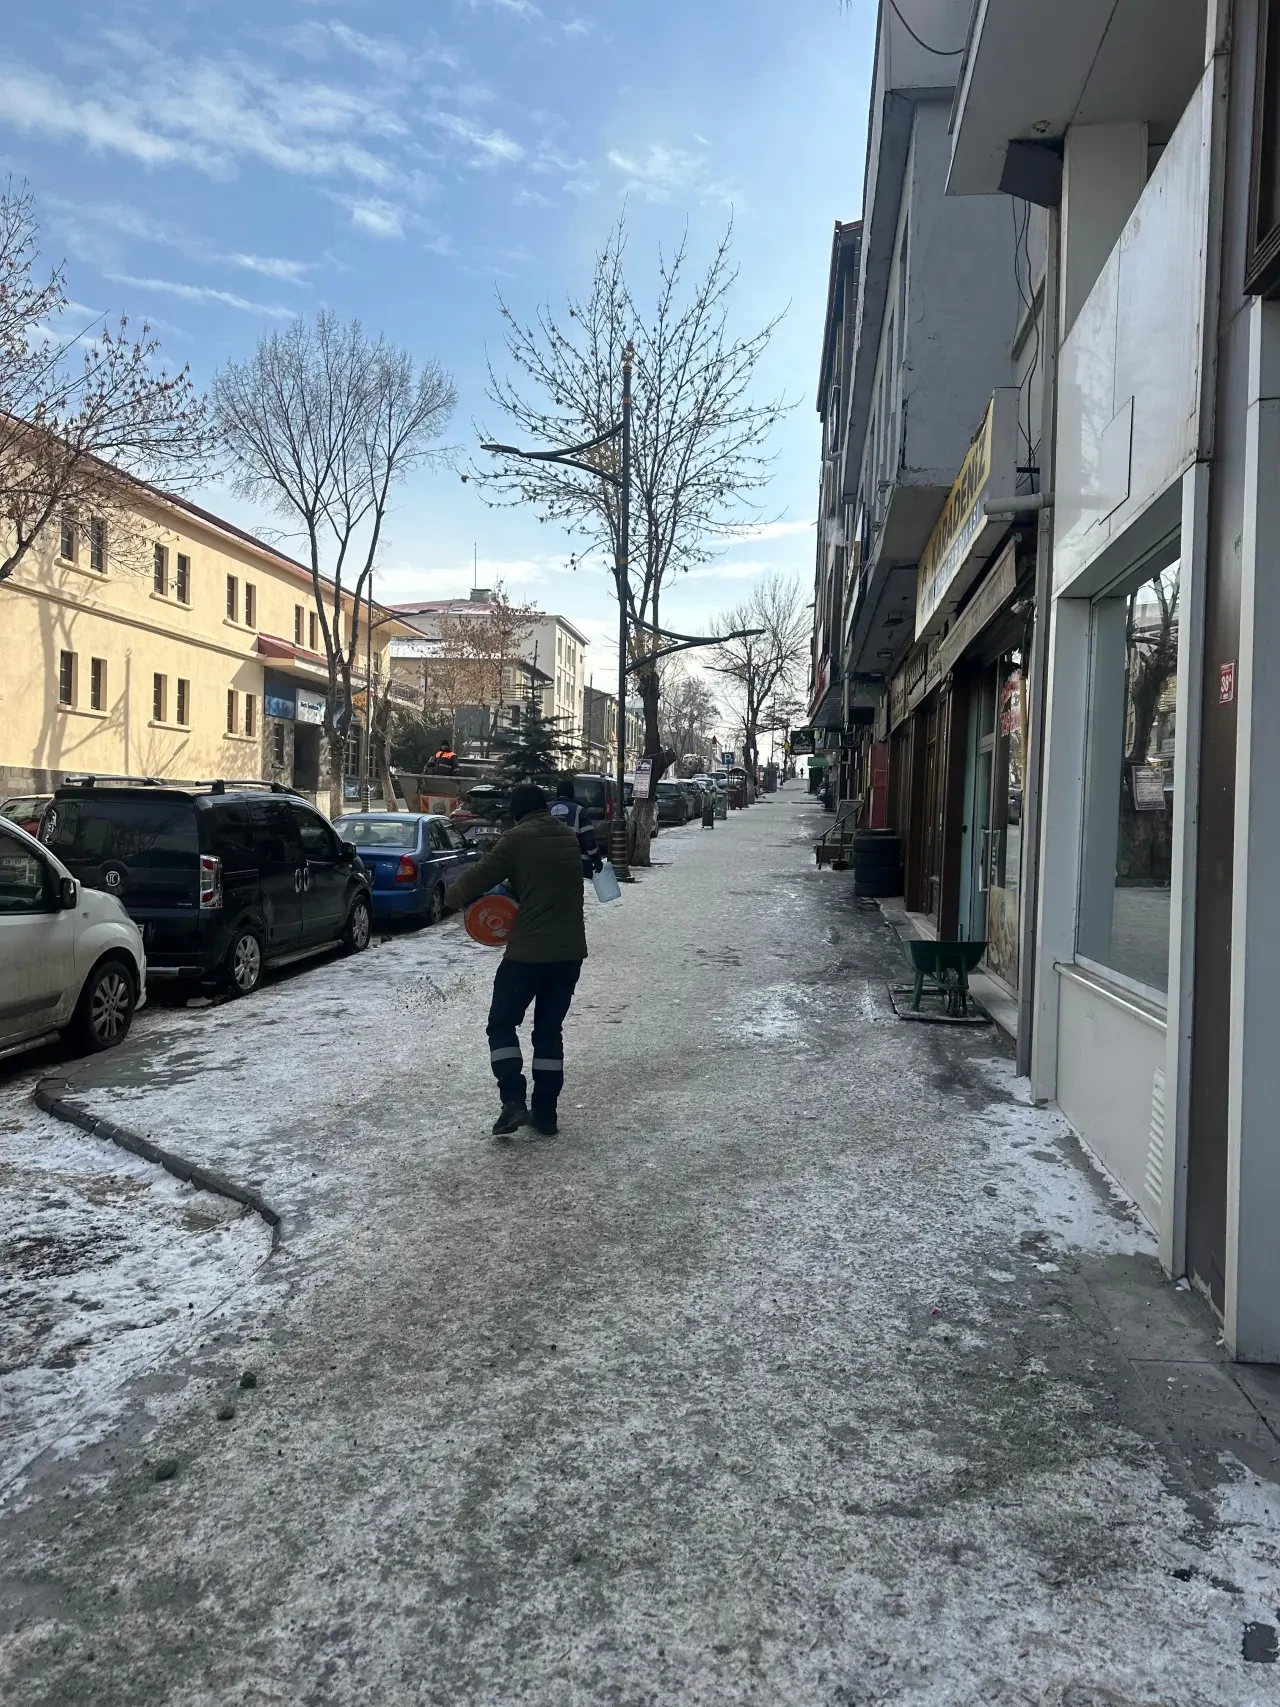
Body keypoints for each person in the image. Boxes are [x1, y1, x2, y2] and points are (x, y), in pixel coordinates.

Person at [444, 783, 588, 1139]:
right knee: (548, 1031)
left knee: (502, 1024)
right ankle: (546, 1114)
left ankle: (512, 1102)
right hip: (570, 953)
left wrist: (451, 897)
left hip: (529, 954)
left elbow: (479, 876)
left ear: (516, 812)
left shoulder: (518, 838)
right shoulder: (567, 837)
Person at [548, 775, 603, 879]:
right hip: (575, 863)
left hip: (549, 862)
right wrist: (596, 859)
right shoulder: (579, 810)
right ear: (572, 794)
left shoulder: (546, 808)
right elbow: (589, 840)